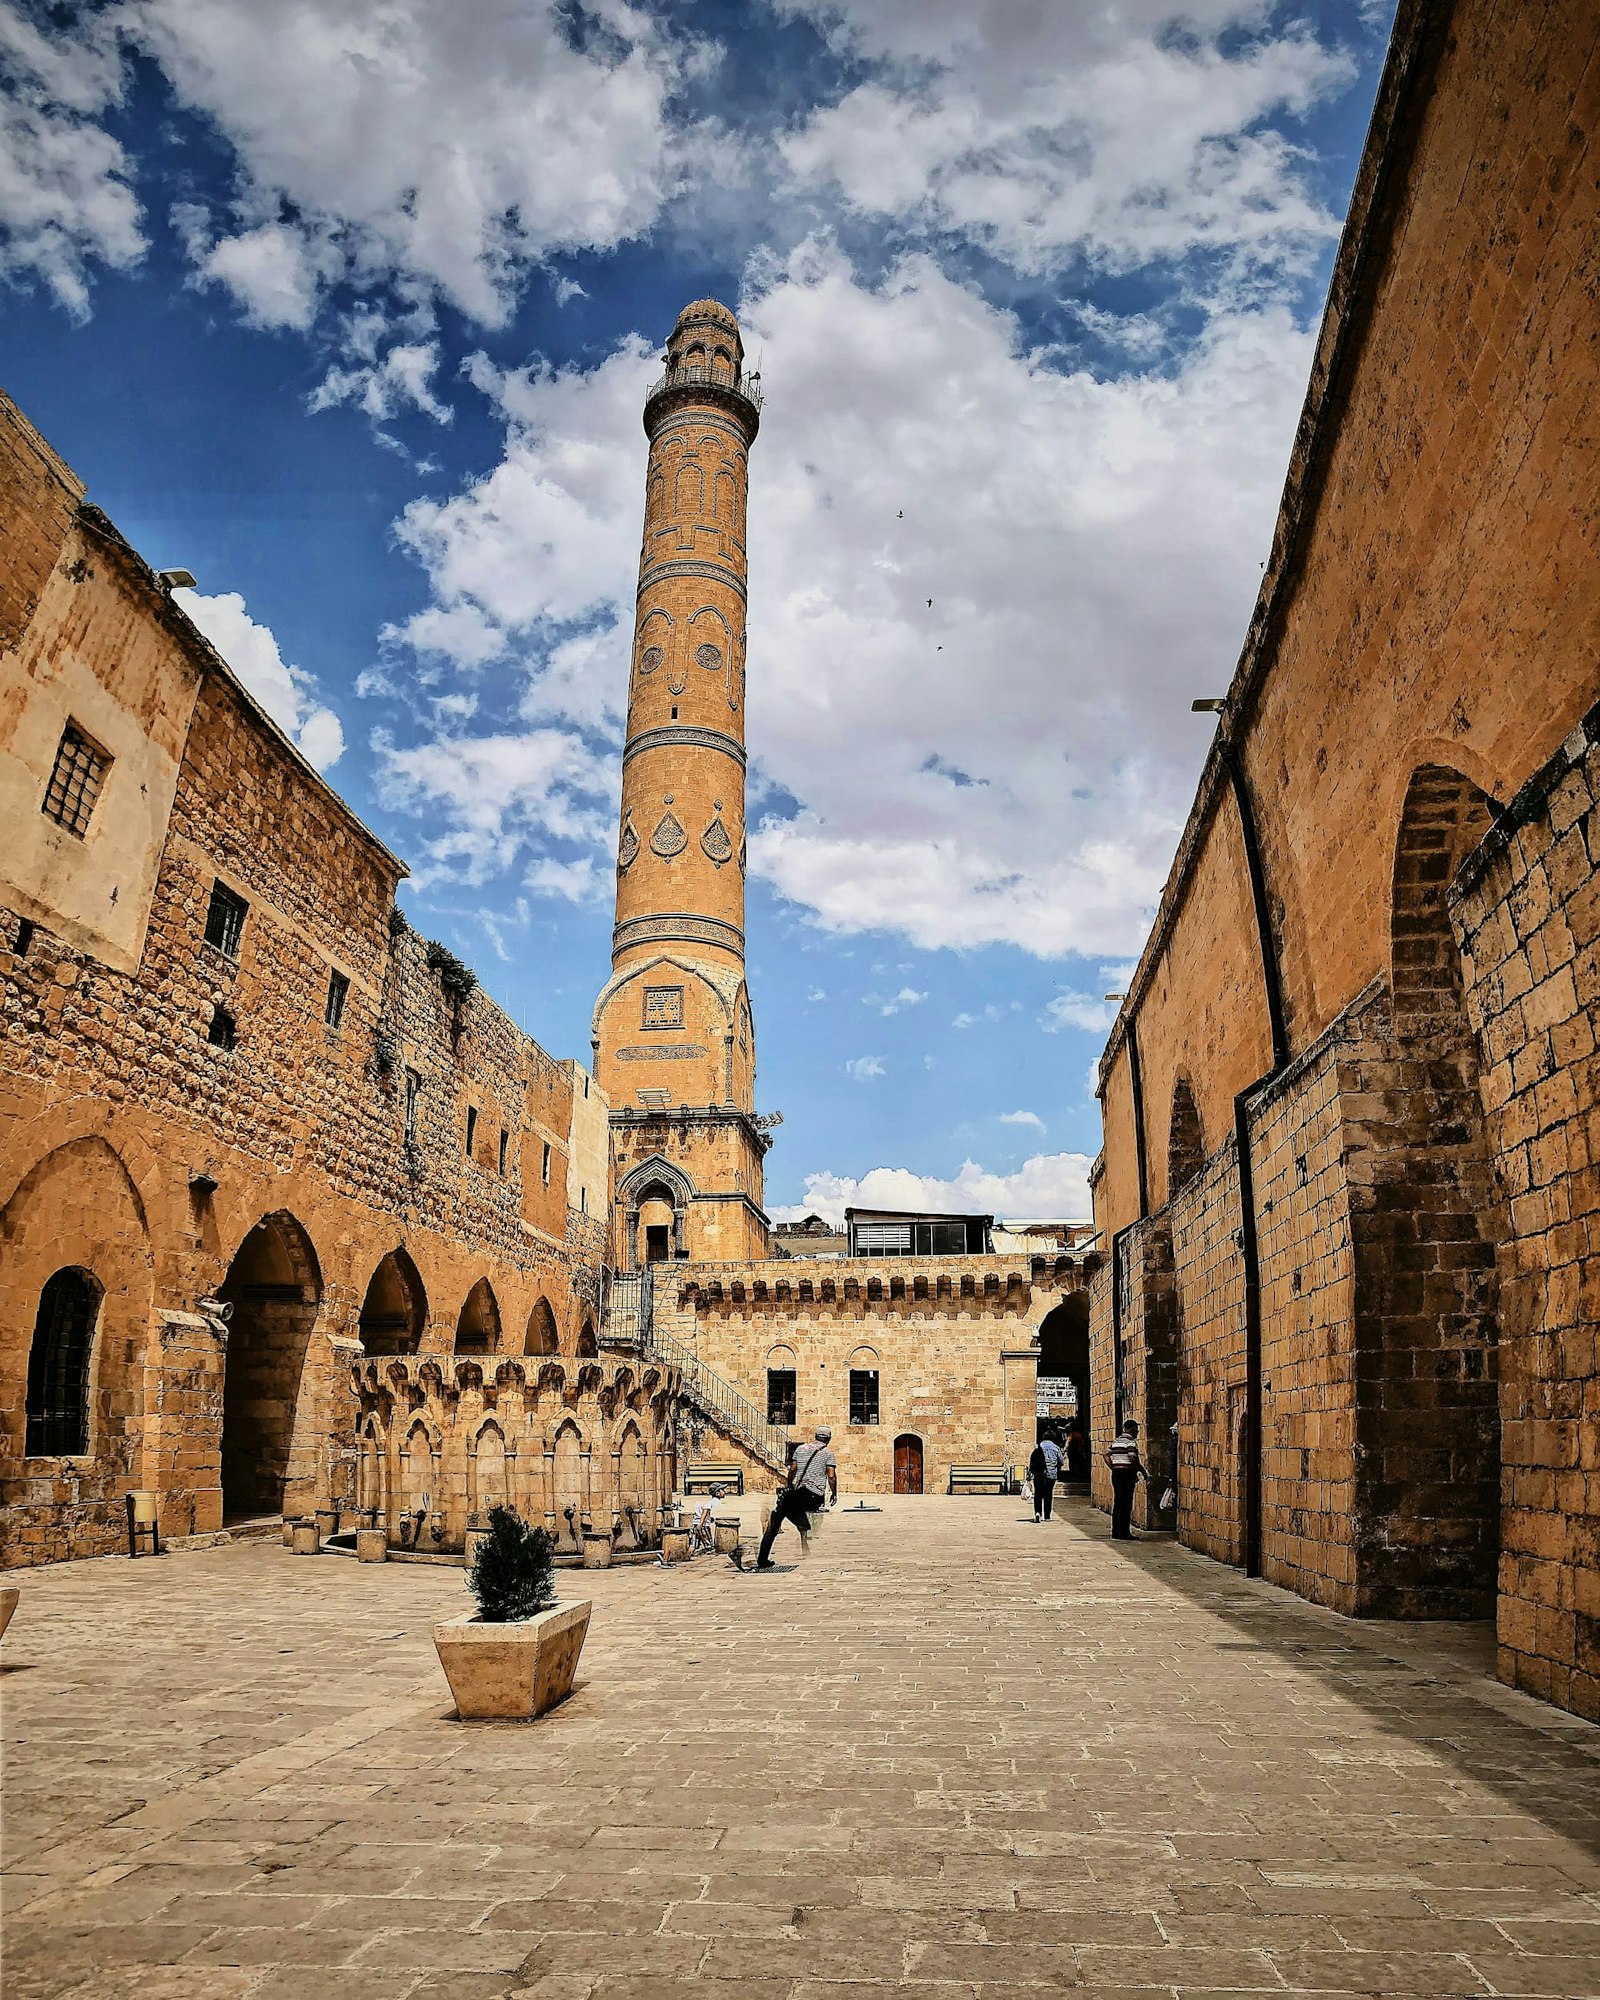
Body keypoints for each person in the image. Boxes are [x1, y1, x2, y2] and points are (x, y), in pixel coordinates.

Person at [739, 1426, 837, 1570]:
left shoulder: (801, 1449)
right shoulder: (828, 1453)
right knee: (796, 1512)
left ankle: (762, 1559)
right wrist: (834, 1493)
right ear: (828, 1439)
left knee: (773, 1526)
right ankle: (804, 1536)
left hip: (794, 1494)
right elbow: (831, 1476)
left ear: (815, 1436)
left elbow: (792, 1469)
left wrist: (790, 1485)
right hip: (813, 1496)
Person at [1105, 1420, 1146, 1540]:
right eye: (1136, 1429)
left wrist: (1113, 1467)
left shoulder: (1116, 1441)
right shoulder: (1130, 1442)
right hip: (1127, 1473)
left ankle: (1116, 1531)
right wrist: (1140, 1470)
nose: (1137, 1432)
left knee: (1118, 1502)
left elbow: (1106, 1455)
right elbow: (1132, 1457)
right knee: (1126, 1503)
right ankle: (1124, 1532)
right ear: (1132, 1429)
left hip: (1117, 1474)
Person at [1028, 1433, 1063, 1521]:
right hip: (1051, 1475)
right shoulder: (1056, 1448)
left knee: (1038, 1494)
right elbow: (1061, 1461)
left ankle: (1038, 1513)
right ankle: (1047, 1515)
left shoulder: (1038, 1447)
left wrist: (1030, 1473)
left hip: (1039, 1474)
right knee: (1048, 1494)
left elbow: (1033, 1460)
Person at [1063, 1418, 1090, 1484]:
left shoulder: (1071, 1434)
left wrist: (1064, 1449)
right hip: (1079, 1451)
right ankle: (1079, 1475)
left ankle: (1074, 1474)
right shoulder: (1079, 1434)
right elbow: (1082, 1443)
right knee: (1078, 1463)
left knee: (1072, 1462)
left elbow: (1068, 1442)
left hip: (1072, 1451)